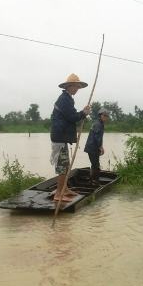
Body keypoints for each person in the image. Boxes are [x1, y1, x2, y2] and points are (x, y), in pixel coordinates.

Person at [50, 73, 91, 202]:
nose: (77, 89)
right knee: (62, 166)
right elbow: (72, 117)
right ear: (69, 86)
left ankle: (65, 189)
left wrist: (83, 113)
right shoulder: (64, 99)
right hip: (59, 137)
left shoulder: (67, 98)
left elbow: (71, 117)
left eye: (78, 87)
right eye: (75, 86)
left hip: (62, 137)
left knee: (66, 165)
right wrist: (84, 113)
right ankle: (58, 194)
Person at [84, 108, 109, 185]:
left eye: (107, 116)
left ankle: (91, 180)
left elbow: (99, 137)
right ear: (100, 115)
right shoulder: (98, 124)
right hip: (92, 147)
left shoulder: (99, 123)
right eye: (104, 115)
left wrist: (100, 146)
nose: (106, 117)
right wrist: (100, 147)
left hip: (92, 147)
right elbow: (97, 137)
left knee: (94, 164)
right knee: (96, 165)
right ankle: (95, 181)